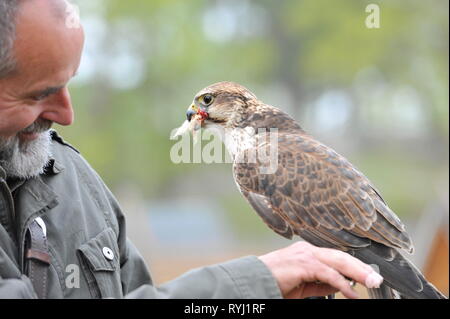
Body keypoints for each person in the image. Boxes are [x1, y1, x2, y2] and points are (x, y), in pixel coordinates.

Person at [0, 0, 383, 299]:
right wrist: (250, 283)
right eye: (40, 93)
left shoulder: (77, 184)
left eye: (69, 83)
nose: (68, 115)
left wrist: (256, 299)